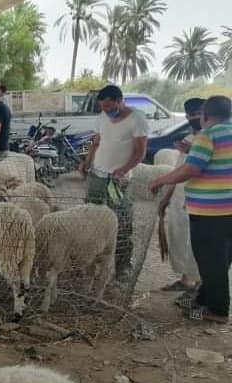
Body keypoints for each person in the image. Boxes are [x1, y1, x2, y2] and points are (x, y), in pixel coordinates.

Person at [150, 96, 232, 323]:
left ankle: (217, 310)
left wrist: (160, 180)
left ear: (206, 114)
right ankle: (202, 299)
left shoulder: (209, 135)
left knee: (210, 261)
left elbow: (191, 169)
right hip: (228, 210)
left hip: (210, 211)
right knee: (220, 259)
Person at [80, 85, 148, 281]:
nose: (106, 111)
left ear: (120, 101)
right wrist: (86, 162)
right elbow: (96, 142)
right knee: (90, 217)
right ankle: (91, 262)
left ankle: (122, 267)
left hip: (119, 180)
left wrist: (124, 170)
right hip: (97, 176)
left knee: (122, 222)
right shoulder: (102, 118)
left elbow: (140, 151)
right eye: (103, 107)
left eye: (110, 107)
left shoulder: (137, 119)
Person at [158, 98, 204, 302]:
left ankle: (200, 285)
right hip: (180, 197)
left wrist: (191, 151)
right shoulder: (189, 138)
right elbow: (179, 171)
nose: (192, 118)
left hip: (200, 200)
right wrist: (166, 198)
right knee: (180, 239)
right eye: (189, 115)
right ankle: (186, 280)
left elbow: (201, 168)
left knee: (197, 243)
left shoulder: (211, 139)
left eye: (196, 114)